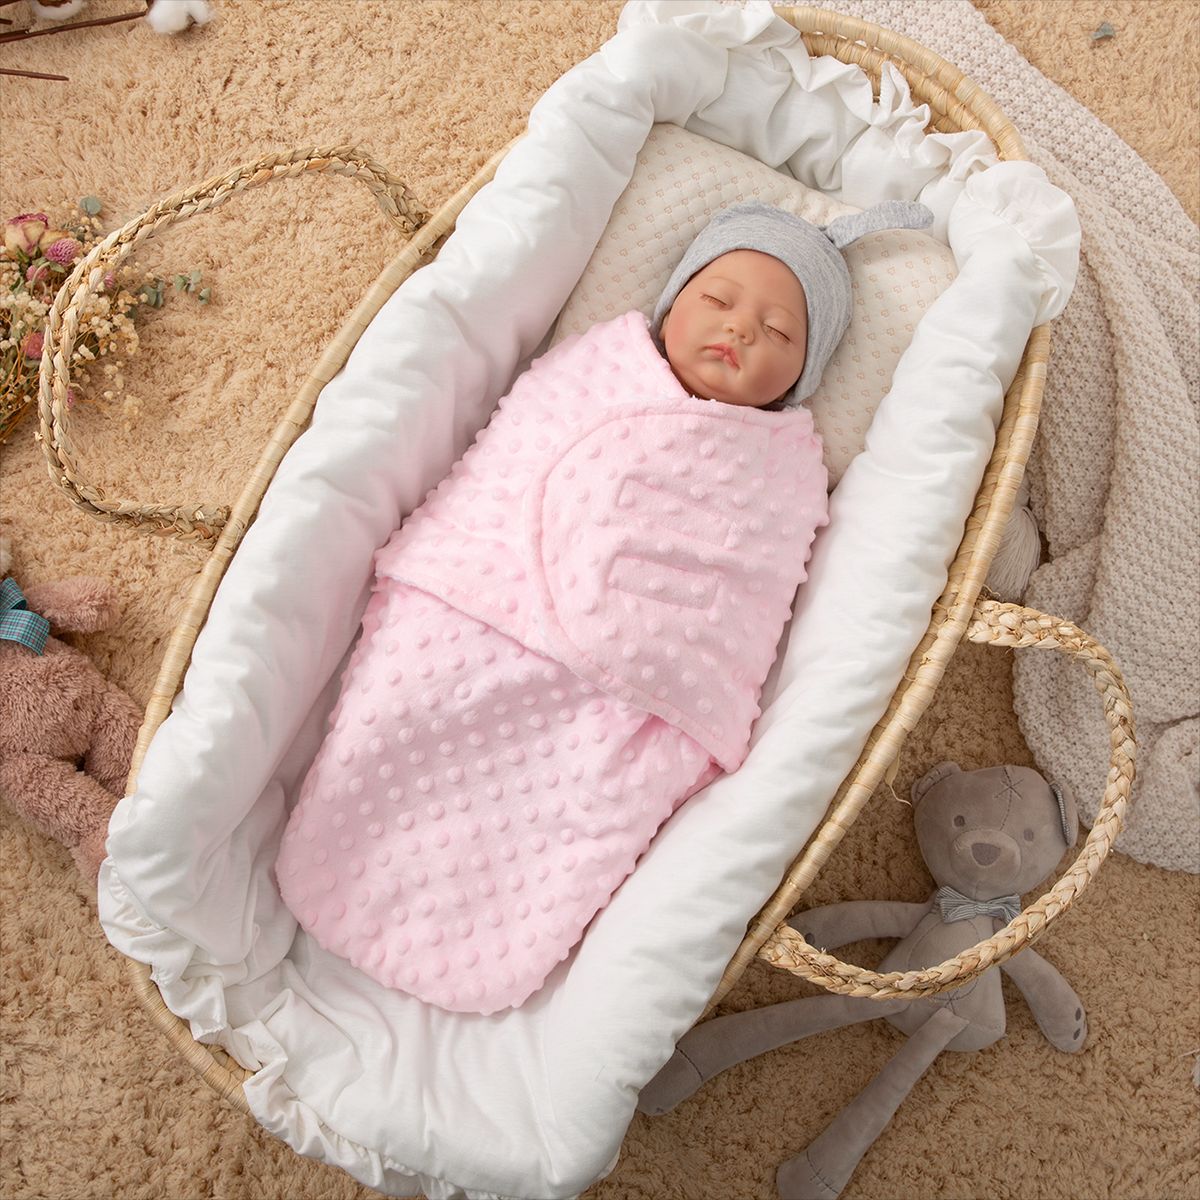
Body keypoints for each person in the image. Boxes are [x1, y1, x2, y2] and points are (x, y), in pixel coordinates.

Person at [273, 198, 933, 1016]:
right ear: (673, 301)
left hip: (637, 696)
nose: (740, 329)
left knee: (578, 799)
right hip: (479, 610)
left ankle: (498, 934)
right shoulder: (594, 371)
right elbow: (511, 461)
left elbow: (748, 586)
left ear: (806, 373)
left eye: (778, 332)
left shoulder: (785, 473)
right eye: (718, 299)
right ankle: (347, 841)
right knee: (412, 706)